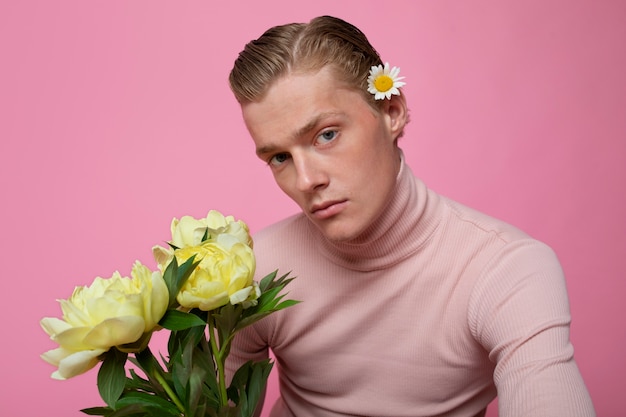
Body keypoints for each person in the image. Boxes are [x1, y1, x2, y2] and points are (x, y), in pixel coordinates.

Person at [226, 15, 595, 417]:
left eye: (326, 135)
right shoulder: (254, 269)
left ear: (392, 111)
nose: (306, 179)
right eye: (279, 157)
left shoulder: (504, 269)